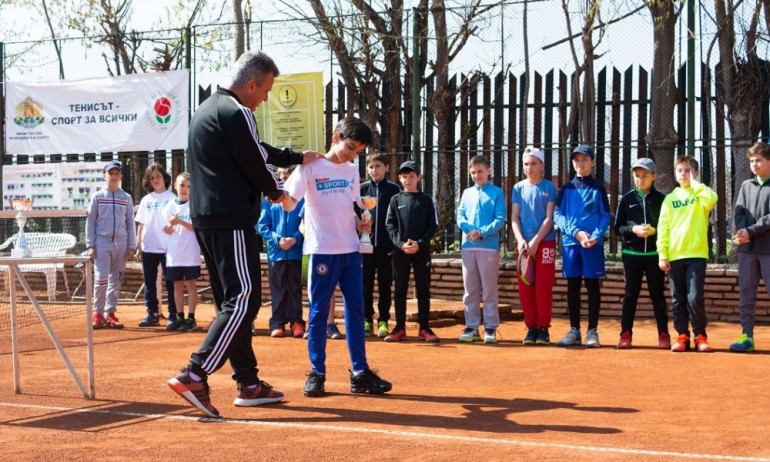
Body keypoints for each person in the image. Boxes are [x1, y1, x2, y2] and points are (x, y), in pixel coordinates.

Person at [167, 50, 320, 417]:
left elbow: (251, 149)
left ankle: (248, 383)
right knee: (245, 297)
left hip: (209, 217)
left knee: (230, 303)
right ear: (251, 84)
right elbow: (252, 159)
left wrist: (294, 157)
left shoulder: (208, 110)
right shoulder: (238, 111)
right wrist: (277, 193)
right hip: (230, 217)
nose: (265, 97)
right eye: (265, 90)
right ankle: (195, 372)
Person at [282, 116, 392, 398]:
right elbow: (289, 201)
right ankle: (317, 372)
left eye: (358, 151)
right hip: (321, 250)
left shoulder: (352, 171)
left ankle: (359, 373)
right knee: (319, 313)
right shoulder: (310, 166)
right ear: (335, 137)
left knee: (356, 311)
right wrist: (274, 193)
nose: (352, 154)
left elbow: (353, 206)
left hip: (351, 250)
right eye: (350, 147)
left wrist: (360, 224)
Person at [657, 155, 718, 352]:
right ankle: (682, 335)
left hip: (697, 255)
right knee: (678, 298)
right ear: (675, 174)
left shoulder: (701, 194)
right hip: (674, 256)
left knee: (695, 297)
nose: (684, 174)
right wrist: (662, 254)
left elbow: (712, 199)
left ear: (696, 173)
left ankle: (700, 335)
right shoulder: (669, 199)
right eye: (680, 170)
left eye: (689, 170)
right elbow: (663, 228)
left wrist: (695, 183)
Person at [554, 145, 611, 348]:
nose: (580, 164)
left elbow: (606, 215)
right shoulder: (567, 188)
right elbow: (558, 215)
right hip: (571, 244)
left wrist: (595, 236)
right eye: (576, 160)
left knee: (592, 286)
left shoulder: (599, 188)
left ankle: (592, 331)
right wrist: (576, 233)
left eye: (584, 160)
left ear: (592, 162)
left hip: (592, 246)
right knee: (573, 286)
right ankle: (574, 330)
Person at [614, 158, 670, 349]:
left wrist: (655, 231)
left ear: (654, 176)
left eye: (645, 175)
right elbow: (618, 227)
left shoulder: (662, 200)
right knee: (631, 294)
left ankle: (664, 334)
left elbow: (668, 226)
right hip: (632, 254)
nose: (640, 179)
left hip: (655, 254)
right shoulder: (627, 199)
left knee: (657, 295)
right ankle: (625, 334)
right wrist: (634, 229)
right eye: (637, 176)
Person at [384, 160, 439, 342]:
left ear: (419, 178)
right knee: (400, 289)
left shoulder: (426, 200)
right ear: (400, 178)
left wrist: (420, 243)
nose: (408, 180)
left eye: (412, 176)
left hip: (421, 252)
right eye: (405, 176)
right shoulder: (395, 200)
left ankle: (425, 328)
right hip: (400, 252)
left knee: (423, 288)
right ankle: (400, 328)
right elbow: (390, 226)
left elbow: (433, 226)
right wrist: (401, 244)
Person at [456, 155, 506, 344]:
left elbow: (500, 219)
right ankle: (471, 327)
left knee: (489, 290)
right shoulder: (467, 192)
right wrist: (470, 230)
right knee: (470, 290)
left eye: (480, 171)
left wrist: (481, 232)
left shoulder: (497, 192)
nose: (476, 175)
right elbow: (460, 215)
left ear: (488, 171)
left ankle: (491, 328)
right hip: (468, 246)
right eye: (473, 172)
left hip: (489, 248)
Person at [510, 147, 558, 345]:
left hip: (545, 243)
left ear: (542, 166)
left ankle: (543, 329)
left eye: (533, 163)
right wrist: (521, 240)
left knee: (543, 287)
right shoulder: (518, 188)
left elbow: (549, 218)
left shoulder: (550, 188)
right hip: (523, 246)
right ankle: (531, 328)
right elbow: (514, 217)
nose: (529, 168)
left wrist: (536, 241)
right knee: (526, 287)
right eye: (526, 164)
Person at [86, 160, 136, 329]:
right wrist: (90, 244)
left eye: (117, 173)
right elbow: (90, 222)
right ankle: (98, 314)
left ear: (121, 176)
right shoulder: (97, 197)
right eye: (110, 173)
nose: (114, 176)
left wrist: (131, 246)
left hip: (121, 244)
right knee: (101, 279)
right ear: (104, 175)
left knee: (116, 281)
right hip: (102, 243)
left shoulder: (126, 198)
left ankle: (110, 313)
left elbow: (130, 223)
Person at [730, 142, 770, 353]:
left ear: (769, 161)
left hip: (768, 250)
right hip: (747, 251)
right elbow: (739, 211)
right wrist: (742, 232)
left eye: (759, 160)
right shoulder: (746, 186)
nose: (754, 164)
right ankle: (747, 336)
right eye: (752, 161)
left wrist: (751, 231)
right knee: (746, 294)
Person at [258, 166, 305, 339]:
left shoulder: (302, 199)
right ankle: (277, 323)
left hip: (296, 253)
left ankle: (296, 322)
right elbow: (262, 226)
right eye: (281, 176)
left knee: (294, 288)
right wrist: (277, 239)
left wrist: (295, 239)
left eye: (288, 175)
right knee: (277, 289)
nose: (284, 178)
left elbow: (307, 224)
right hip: (275, 254)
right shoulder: (269, 200)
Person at [359, 152, 400, 338]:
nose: (374, 170)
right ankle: (367, 320)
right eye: (371, 167)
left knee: (385, 285)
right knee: (364, 285)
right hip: (364, 246)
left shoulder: (394, 189)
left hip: (386, 247)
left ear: (386, 168)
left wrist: (395, 242)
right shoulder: (360, 189)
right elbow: (353, 215)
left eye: (378, 166)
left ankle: (383, 320)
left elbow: (398, 219)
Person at [135, 163, 178, 329]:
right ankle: (152, 313)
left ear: (164, 177)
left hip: (168, 248)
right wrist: (139, 245)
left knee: (171, 282)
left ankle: (174, 314)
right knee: (149, 283)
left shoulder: (172, 198)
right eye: (152, 178)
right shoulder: (146, 200)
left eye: (158, 176)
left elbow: (176, 223)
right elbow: (141, 224)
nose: (155, 180)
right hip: (148, 248)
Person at [162, 172, 201, 332]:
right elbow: (166, 229)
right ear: (175, 186)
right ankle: (179, 316)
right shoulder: (169, 205)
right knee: (177, 285)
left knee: (191, 284)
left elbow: (195, 227)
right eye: (182, 185)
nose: (185, 189)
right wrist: (171, 225)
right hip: (174, 254)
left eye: (188, 186)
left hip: (191, 252)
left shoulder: (195, 205)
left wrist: (178, 221)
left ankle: (191, 318)